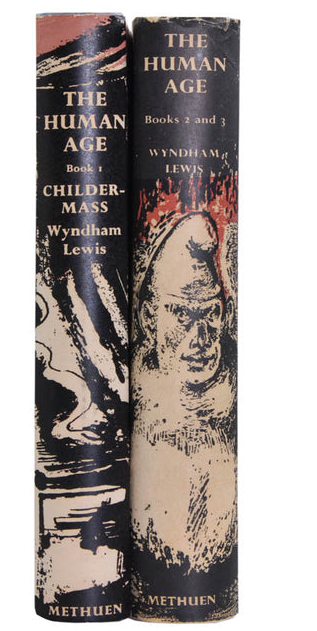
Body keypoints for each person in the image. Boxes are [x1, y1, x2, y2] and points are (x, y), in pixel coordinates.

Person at [131, 211, 237, 573]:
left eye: (210, 314)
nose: (200, 337)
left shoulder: (231, 412)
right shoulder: (135, 417)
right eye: (181, 314)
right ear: (148, 319)